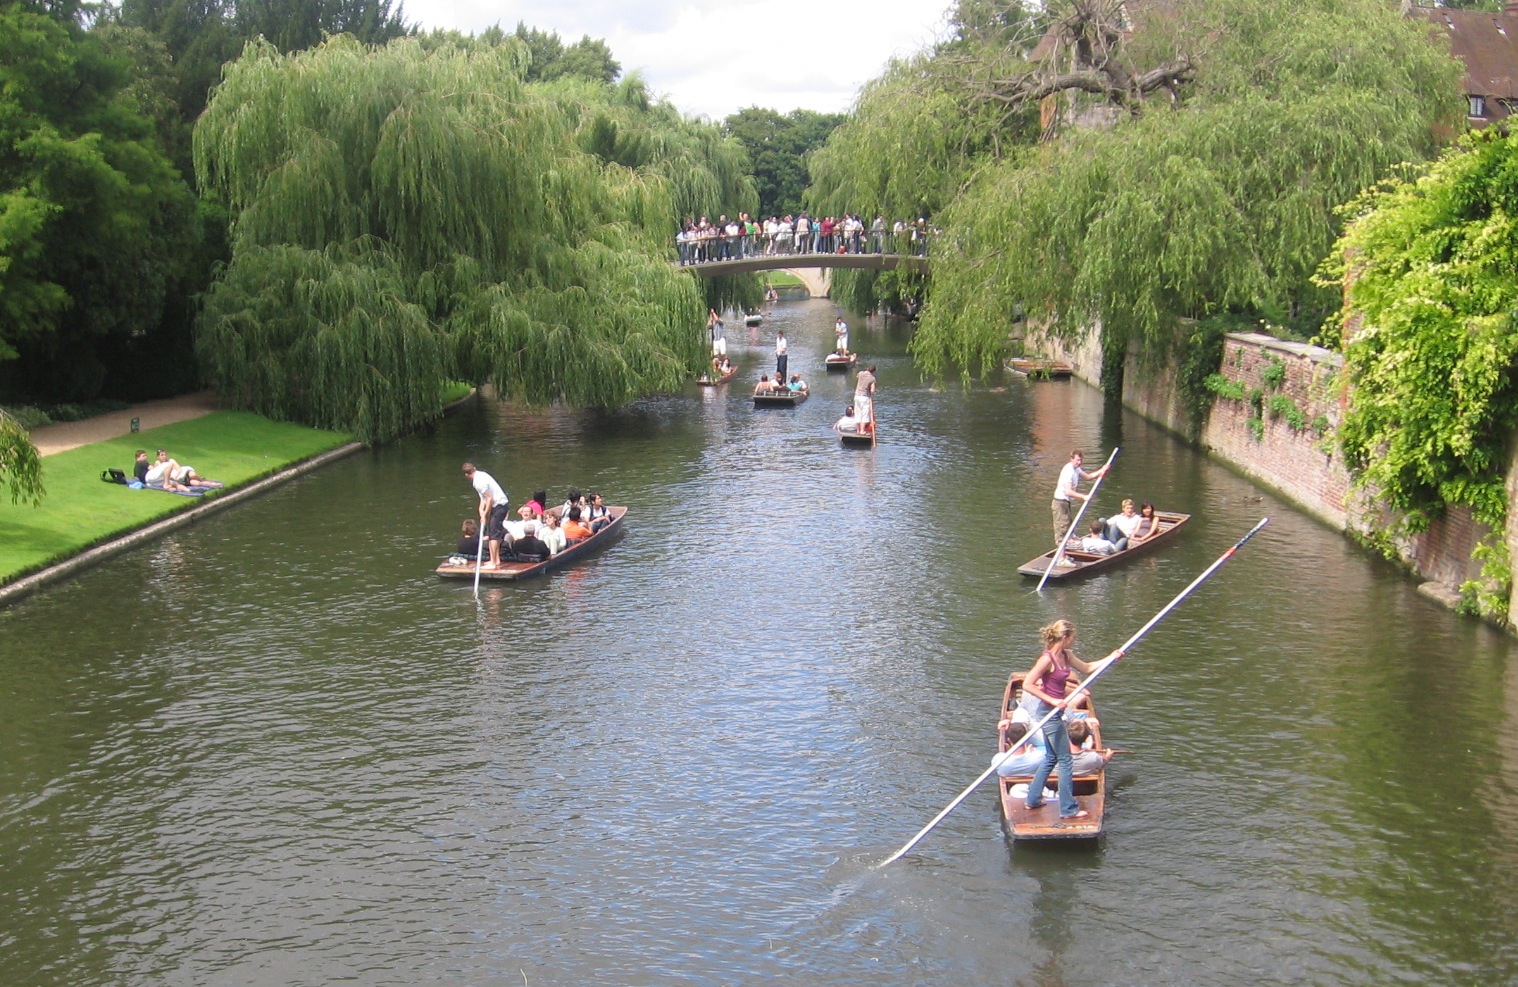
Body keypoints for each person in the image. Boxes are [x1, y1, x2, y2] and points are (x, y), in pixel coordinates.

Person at [1021, 619, 1122, 819]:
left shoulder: (1066, 655)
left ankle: (1032, 800)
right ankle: (1068, 809)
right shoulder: (1046, 659)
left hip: (1056, 712)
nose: (1074, 640)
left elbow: (1088, 668)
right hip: (1047, 713)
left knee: (1051, 757)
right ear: (1065, 638)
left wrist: (1111, 657)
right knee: (1065, 759)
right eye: (1073, 637)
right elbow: (1027, 684)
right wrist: (1053, 699)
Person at [1051, 449, 1107, 545]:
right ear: (1071, 459)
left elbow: (1088, 477)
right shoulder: (1068, 471)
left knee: (1068, 525)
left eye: (1081, 460)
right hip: (1060, 502)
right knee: (1062, 528)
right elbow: (1068, 491)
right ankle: (1061, 557)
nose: (1079, 462)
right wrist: (1083, 497)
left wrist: (1102, 470)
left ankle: (1069, 544)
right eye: (1077, 460)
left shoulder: (1076, 469)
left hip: (1065, 502)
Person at [463, 462, 509, 569]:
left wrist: (485, 514)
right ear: (474, 468)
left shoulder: (478, 482)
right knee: (490, 532)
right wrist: (480, 511)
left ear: (466, 475)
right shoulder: (481, 475)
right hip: (496, 506)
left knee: (493, 534)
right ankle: (495, 560)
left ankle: (493, 563)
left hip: (500, 506)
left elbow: (489, 498)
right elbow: (483, 499)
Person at [854, 364, 876, 433]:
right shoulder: (872, 378)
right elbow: (872, 390)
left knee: (858, 413)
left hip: (857, 396)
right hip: (864, 397)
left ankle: (858, 430)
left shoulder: (860, 373)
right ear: (873, 371)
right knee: (864, 414)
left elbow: (857, 377)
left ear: (867, 368)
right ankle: (862, 431)